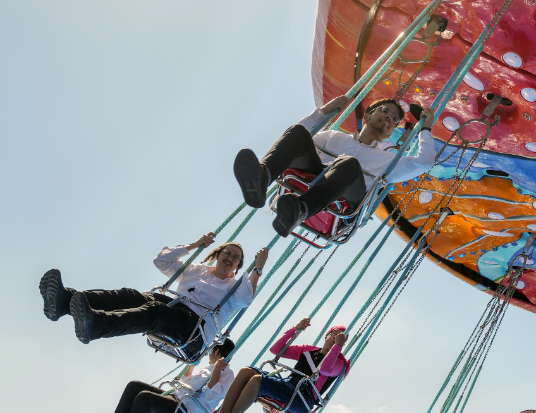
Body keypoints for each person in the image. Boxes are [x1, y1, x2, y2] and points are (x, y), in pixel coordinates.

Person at [232, 92, 438, 237]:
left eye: (394, 119)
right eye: (384, 111)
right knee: (299, 133)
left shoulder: (390, 161)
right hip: (313, 176)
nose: (388, 118)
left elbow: (424, 162)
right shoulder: (333, 136)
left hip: (347, 199)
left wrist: (426, 129)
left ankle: (302, 210)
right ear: (367, 116)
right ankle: (261, 178)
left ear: (391, 131)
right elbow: (295, 140)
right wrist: (324, 111)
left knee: (349, 163)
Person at [39, 232, 267, 349]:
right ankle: (63, 301)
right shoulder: (197, 270)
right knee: (132, 296)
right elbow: (162, 261)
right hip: (174, 307)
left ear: (238, 266)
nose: (230, 258)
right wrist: (194, 245)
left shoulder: (235, 288)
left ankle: (96, 325)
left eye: (236, 258)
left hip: (195, 328)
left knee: (155, 311)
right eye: (227, 253)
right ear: (217, 255)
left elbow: (247, 298)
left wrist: (258, 267)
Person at [195, 318, 349, 413]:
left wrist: (337, 348)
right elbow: (276, 350)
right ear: (327, 335)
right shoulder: (308, 350)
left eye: (339, 339)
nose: (335, 340)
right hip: (289, 386)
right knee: (246, 371)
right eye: (333, 335)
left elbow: (324, 369)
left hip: (303, 399)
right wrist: (294, 329)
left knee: (257, 381)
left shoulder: (339, 363)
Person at [78, 339, 237, 413]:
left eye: (211, 351)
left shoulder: (226, 373)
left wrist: (217, 369)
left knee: (144, 398)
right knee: (134, 386)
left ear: (216, 352)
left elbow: (211, 396)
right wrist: (194, 363)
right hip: (176, 400)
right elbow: (184, 380)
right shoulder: (209, 368)